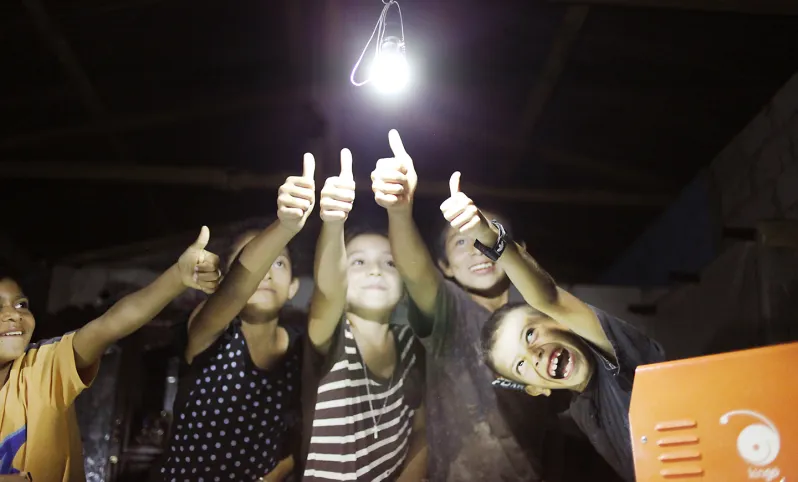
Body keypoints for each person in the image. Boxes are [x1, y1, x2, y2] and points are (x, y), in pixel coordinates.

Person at [438, 173, 667, 482]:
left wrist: (487, 237)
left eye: (529, 334)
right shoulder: (584, 413)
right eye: (520, 364)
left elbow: (549, 297)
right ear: (536, 388)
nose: (533, 354)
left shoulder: (622, 362)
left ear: (558, 319)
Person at [370, 130, 551, 481]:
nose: (477, 250)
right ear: (445, 267)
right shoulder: (448, 314)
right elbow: (416, 271)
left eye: (487, 235)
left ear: (520, 251)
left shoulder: (545, 322)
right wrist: (400, 212)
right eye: (460, 242)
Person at [0, 228, 220, 481]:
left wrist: (178, 277)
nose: (13, 314)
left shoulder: (44, 369)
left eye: (21, 305)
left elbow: (112, 324)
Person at [155, 154, 317, 482]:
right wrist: (285, 227)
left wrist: (280, 472)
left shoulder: (303, 350)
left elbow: (303, 436)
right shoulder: (208, 329)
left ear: (293, 288)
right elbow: (235, 289)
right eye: (258, 260)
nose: (266, 274)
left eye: (280, 263)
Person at [301, 149, 427, 481]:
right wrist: (332, 223)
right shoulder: (331, 335)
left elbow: (422, 428)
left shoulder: (410, 345)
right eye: (358, 261)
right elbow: (328, 292)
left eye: (389, 262)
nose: (375, 270)